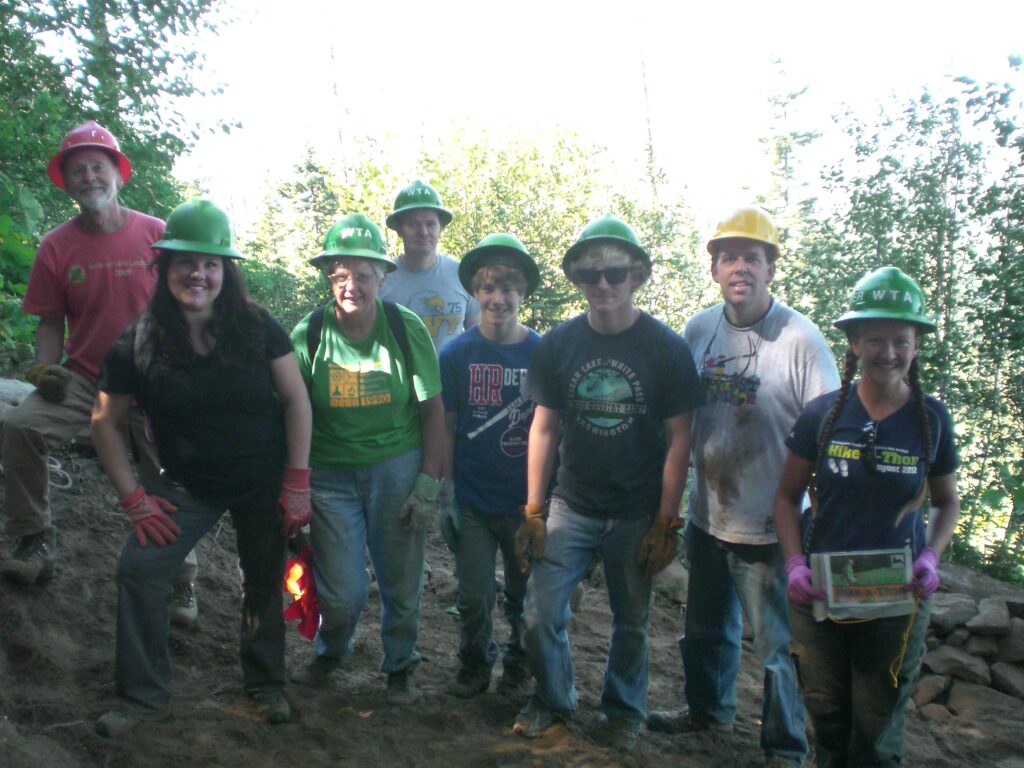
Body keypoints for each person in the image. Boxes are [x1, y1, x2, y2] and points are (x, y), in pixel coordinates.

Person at [90, 199, 312, 734]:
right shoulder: (137, 342)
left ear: (226, 273)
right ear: (164, 268)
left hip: (262, 478)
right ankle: (144, 696)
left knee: (263, 578)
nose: (198, 274)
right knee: (139, 570)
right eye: (186, 262)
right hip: (187, 485)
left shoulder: (258, 327)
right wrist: (134, 500)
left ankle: (265, 684)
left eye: (211, 264)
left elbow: (295, 401)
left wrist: (298, 481)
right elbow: (104, 423)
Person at [648, 206, 839, 767]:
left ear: (770, 269)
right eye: (728, 257)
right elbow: (680, 423)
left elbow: (827, 432)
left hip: (771, 524)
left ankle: (784, 746)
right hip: (708, 514)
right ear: (714, 270)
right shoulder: (699, 330)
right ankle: (707, 711)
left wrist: (820, 523)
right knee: (704, 629)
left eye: (752, 257)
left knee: (780, 647)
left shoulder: (801, 340)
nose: (740, 267)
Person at [512, 214, 704, 752]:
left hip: (637, 508)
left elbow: (679, 441)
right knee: (539, 613)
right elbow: (544, 428)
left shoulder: (666, 349)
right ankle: (553, 698)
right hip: (572, 502)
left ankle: (623, 711)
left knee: (632, 620)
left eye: (615, 273)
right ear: (576, 278)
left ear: (637, 275)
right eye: (590, 275)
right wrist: (534, 510)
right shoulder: (559, 344)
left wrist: (667, 521)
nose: (602, 285)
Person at [1, 120, 201, 626]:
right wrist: (44, 366)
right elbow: (50, 322)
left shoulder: (157, 235)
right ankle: (33, 536)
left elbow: (191, 305)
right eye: (78, 170)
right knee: (20, 427)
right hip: (86, 379)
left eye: (97, 166)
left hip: (153, 379)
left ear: (118, 173)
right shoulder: (55, 246)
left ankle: (183, 580)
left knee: (164, 473)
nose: (89, 176)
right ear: (66, 182)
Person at [773, 266, 960, 768]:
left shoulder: (932, 420)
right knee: (828, 715)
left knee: (877, 726)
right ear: (854, 342)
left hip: (896, 599)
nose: (889, 352)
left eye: (901, 339)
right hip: (822, 591)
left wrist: (930, 558)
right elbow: (787, 498)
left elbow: (946, 501)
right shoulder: (822, 414)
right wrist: (794, 565)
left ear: (917, 343)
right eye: (875, 339)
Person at [291, 213, 445, 705]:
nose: (351, 284)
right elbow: (291, 410)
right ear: (329, 276)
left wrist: (428, 483)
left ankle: (401, 665)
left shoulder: (404, 328)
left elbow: (433, 409)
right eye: (341, 274)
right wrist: (292, 481)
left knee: (401, 581)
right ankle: (333, 648)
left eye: (363, 274)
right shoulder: (309, 333)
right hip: (330, 475)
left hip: (397, 468)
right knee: (342, 592)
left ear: (382, 276)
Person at [438, 234, 541, 699]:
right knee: (474, 595)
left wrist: (547, 502)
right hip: (474, 500)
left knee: (523, 597)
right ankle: (474, 663)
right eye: (488, 289)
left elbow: (553, 430)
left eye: (508, 289)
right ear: (475, 295)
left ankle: (518, 666)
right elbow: (447, 425)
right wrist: (444, 490)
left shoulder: (542, 353)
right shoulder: (457, 354)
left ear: (522, 294)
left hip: (525, 503)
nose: (498, 299)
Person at [379, 179, 479, 350]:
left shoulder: (462, 275)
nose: (423, 232)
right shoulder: (382, 281)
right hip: (402, 376)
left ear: (441, 228)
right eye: (413, 224)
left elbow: (478, 339)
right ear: (399, 229)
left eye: (430, 224)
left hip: (451, 376)